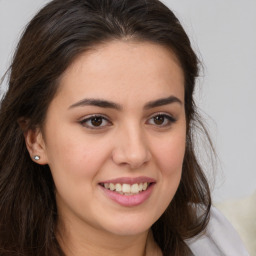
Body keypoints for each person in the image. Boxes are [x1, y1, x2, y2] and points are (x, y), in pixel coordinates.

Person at [0, 0, 249, 255]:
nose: (135, 154)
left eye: (160, 118)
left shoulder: (214, 241)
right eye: (96, 121)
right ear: (35, 139)